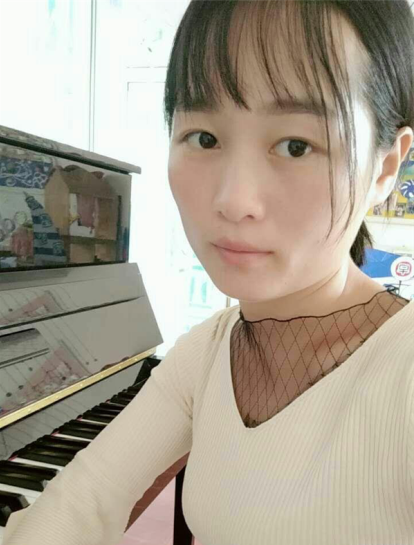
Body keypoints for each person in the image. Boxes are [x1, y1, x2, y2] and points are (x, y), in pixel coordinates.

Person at [4, 0, 414, 543]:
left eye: (296, 146)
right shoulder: (207, 351)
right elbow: (84, 500)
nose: (233, 200)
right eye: (204, 138)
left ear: (385, 167)